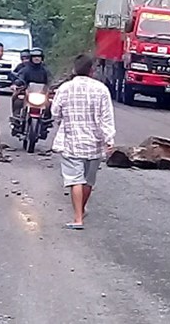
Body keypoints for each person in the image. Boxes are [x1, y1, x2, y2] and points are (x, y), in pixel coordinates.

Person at [51, 54, 115, 230]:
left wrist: (62, 120)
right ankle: (82, 209)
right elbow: (106, 117)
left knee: (75, 180)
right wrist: (109, 140)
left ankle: (78, 218)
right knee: (88, 181)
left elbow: (55, 112)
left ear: (74, 69)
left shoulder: (65, 88)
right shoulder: (101, 89)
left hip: (72, 141)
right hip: (95, 143)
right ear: (92, 71)